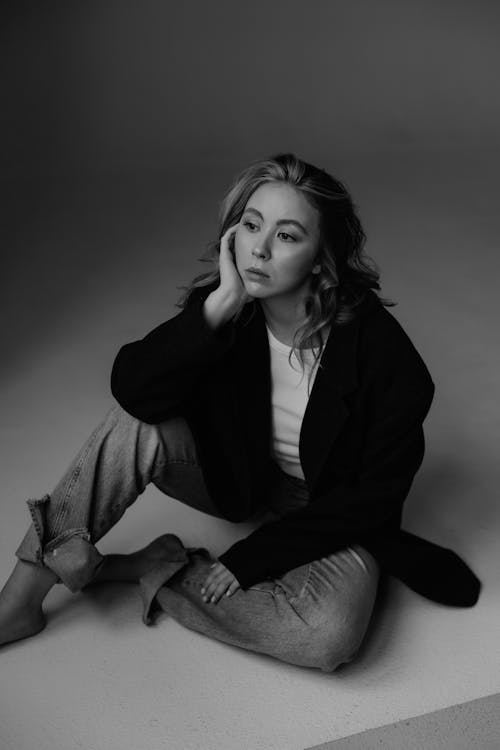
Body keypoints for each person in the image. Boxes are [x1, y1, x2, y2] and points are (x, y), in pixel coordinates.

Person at [0, 153, 480, 671]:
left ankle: (158, 568)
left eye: (288, 236)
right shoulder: (227, 310)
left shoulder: (385, 357)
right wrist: (219, 307)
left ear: (322, 257)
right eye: (252, 225)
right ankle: (20, 600)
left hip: (334, 510)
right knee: (138, 424)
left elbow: (369, 499)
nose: (260, 248)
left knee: (325, 635)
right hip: (243, 479)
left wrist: (250, 559)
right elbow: (134, 393)